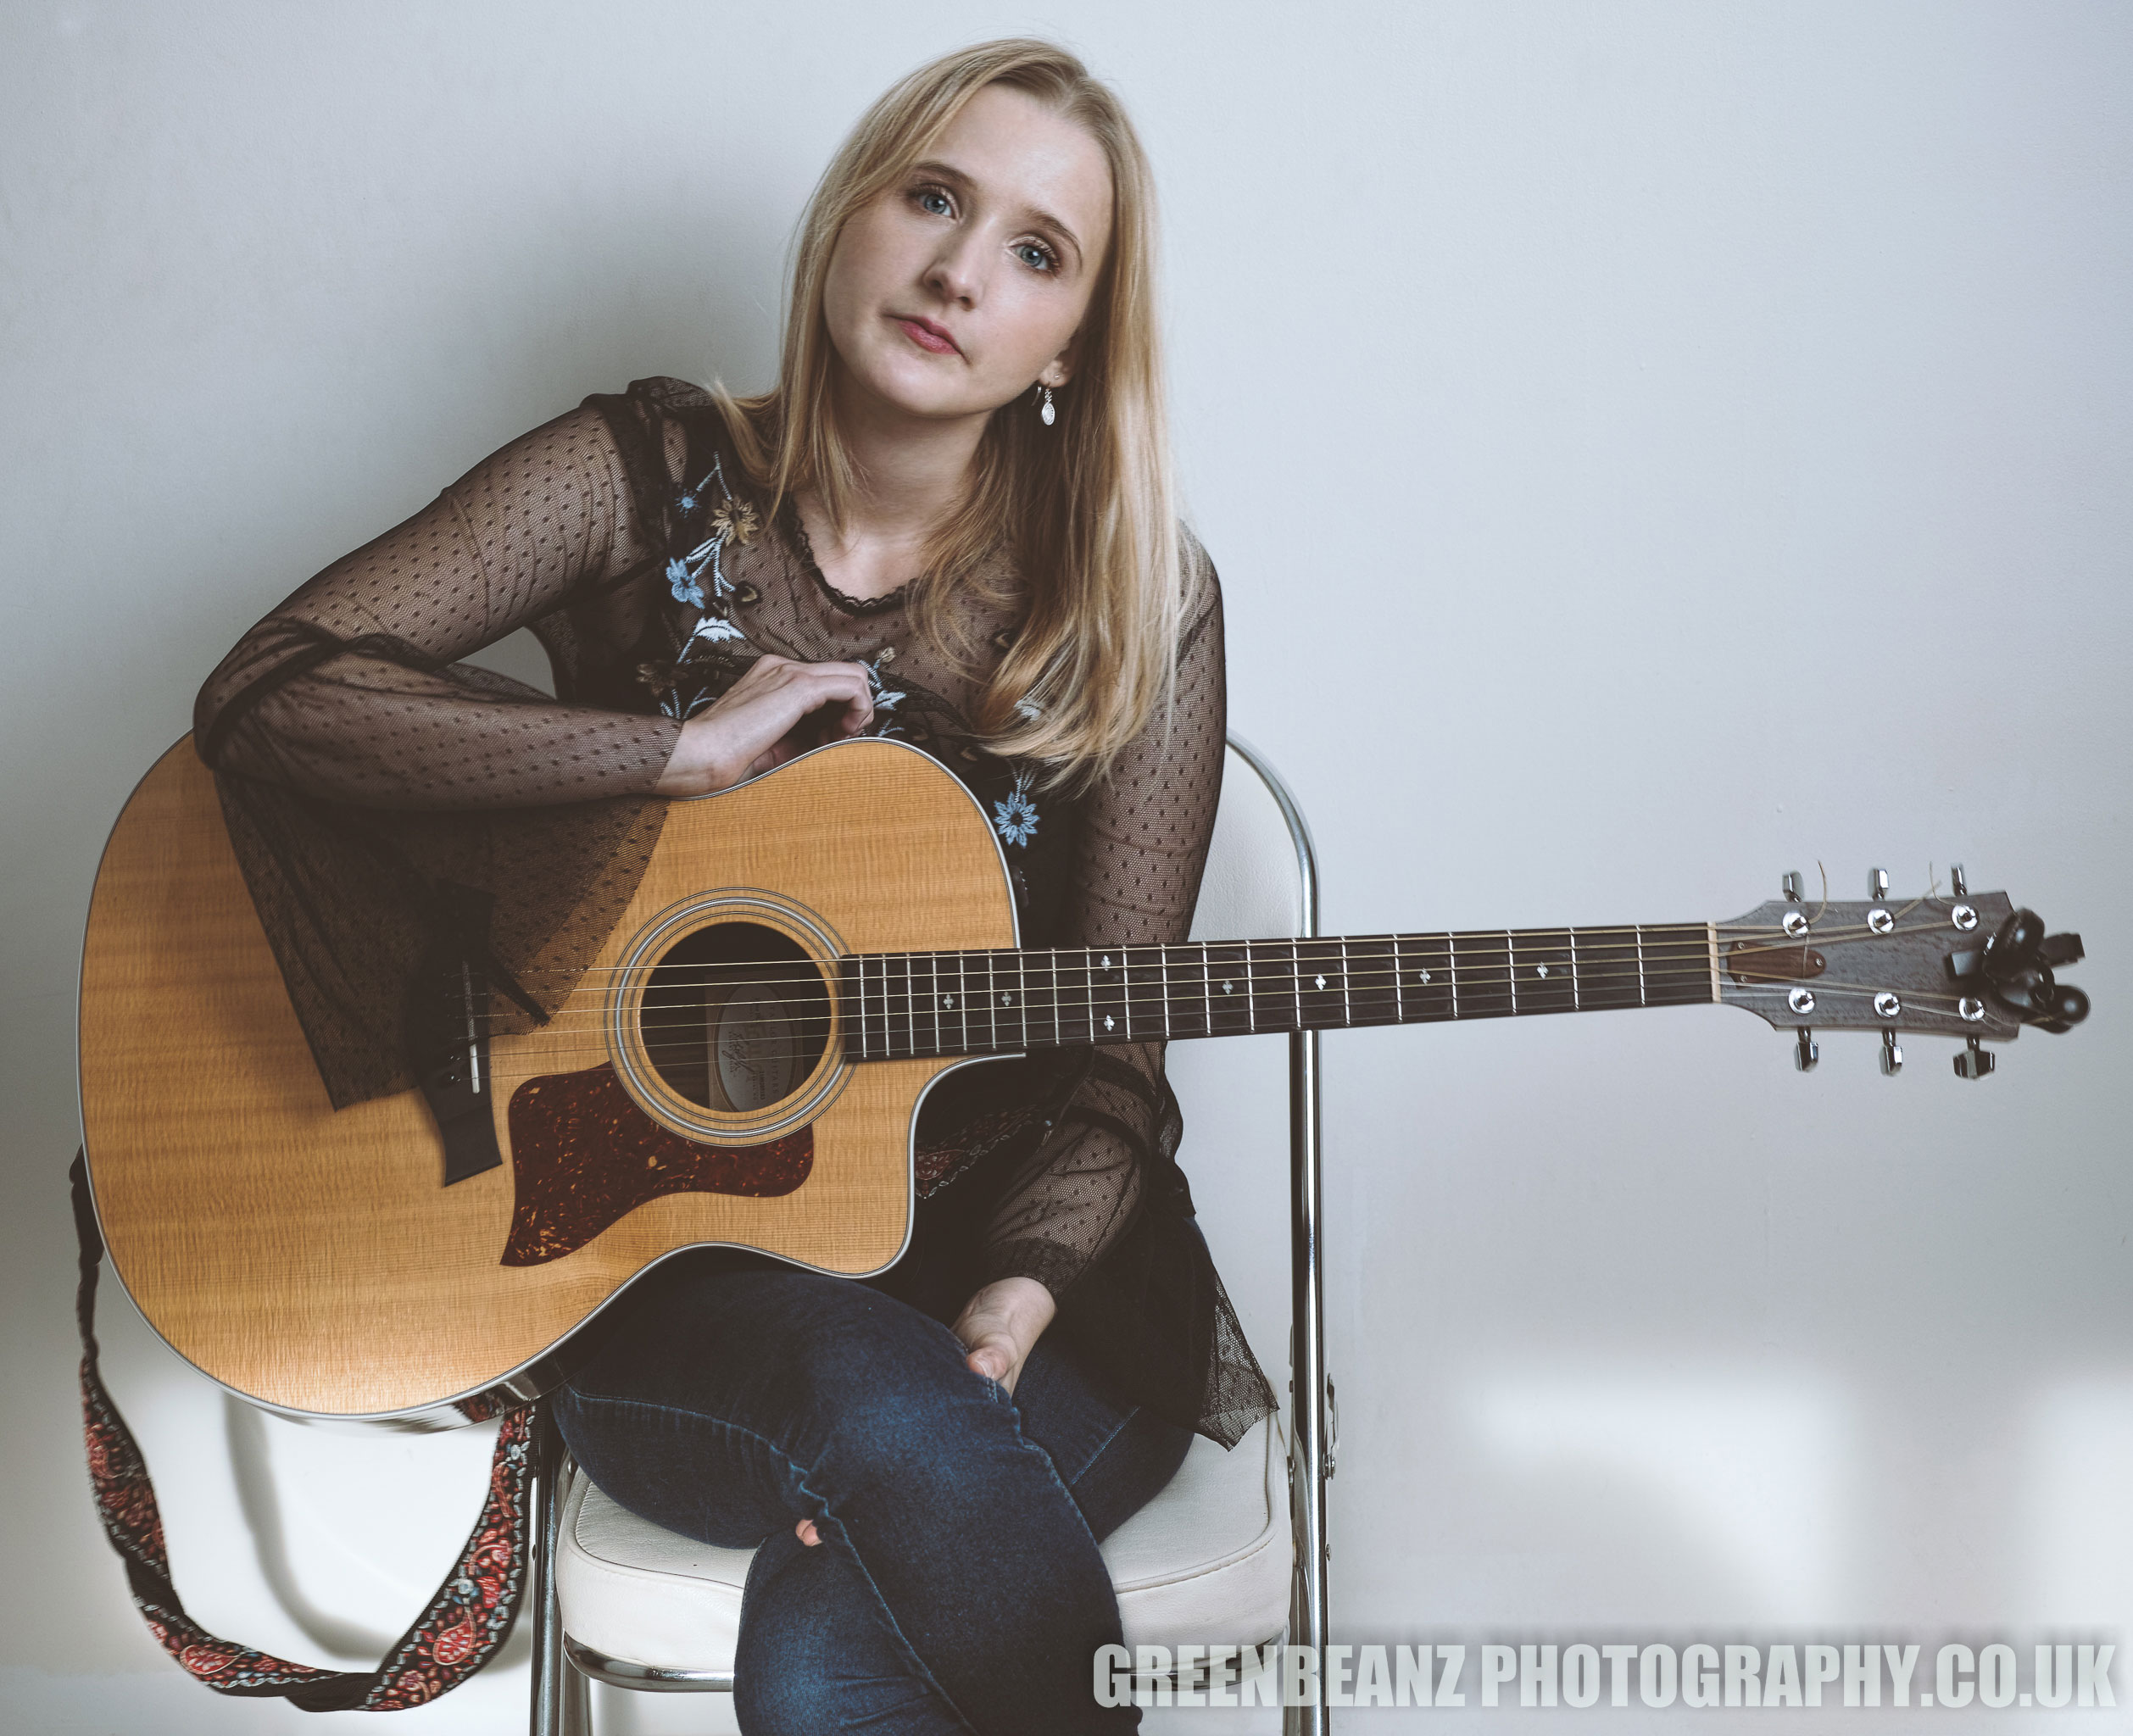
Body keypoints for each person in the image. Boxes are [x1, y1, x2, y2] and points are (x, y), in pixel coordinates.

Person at [193, 38, 1275, 1735]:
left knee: (847, 1607)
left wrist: (1026, 1282)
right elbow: (273, 696)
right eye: (933, 196)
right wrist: (666, 759)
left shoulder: (1138, 600)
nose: (957, 270)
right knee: (867, 1399)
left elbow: (1112, 1045)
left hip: (1040, 1281)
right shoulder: (644, 480)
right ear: (849, 215)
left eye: (1035, 252)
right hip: (660, 1271)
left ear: (1072, 343)